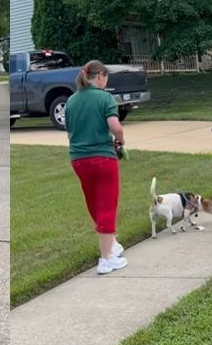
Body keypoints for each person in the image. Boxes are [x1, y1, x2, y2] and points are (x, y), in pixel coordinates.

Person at [65, 60, 127, 275]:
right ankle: (106, 259)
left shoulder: (72, 100)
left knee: (94, 203)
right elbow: (115, 126)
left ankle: (111, 244)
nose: (105, 81)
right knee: (107, 204)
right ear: (100, 76)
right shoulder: (105, 97)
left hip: (78, 160)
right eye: (106, 78)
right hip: (102, 158)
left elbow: (70, 132)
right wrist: (121, 140)